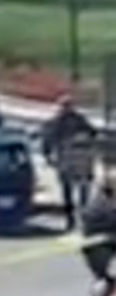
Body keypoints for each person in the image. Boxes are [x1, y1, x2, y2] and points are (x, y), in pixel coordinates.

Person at [42, 98, 98, 229]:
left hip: (71, 159)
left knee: (75, 188)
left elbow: (47, 140)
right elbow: (93, 133)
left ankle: (76, 217)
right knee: (74, 189)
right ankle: (75, 217)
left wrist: (48, 156)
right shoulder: (75, 120)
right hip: (72, 159)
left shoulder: (60, 121)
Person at [77, 181, 116, 296]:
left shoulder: (106, 205)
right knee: (106, 285)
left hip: (105, 248)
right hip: (97, 249)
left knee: (108, 286)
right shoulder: (101, 207)